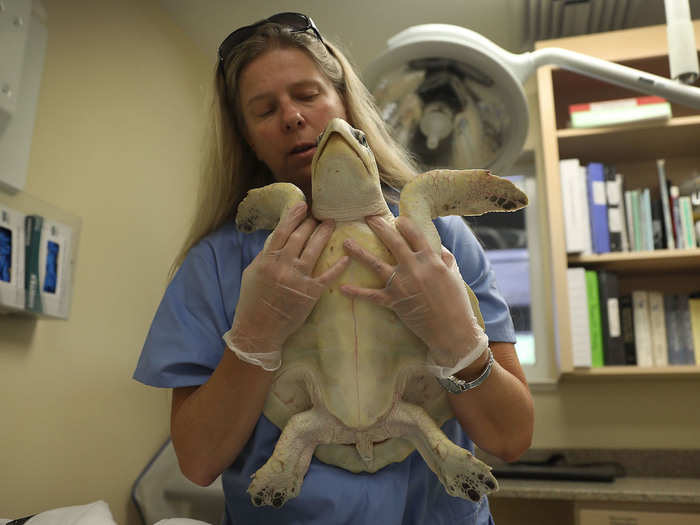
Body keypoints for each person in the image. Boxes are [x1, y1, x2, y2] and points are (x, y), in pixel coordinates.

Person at [134, 12, 534, 525]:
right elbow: (198, 461)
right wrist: (254, 337)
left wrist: (457, 336)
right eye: (264, 109)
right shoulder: (217, 263)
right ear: (247, 137)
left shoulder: (440, 235)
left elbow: (510, 438)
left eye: (307, 94)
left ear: (345, 102)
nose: (292, 118)